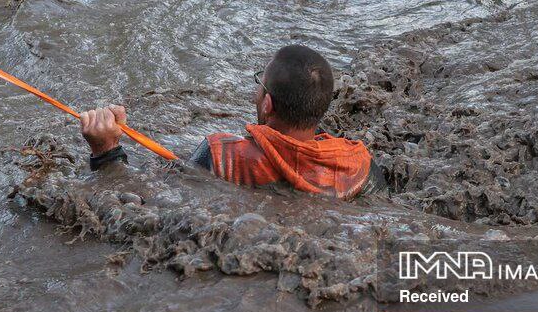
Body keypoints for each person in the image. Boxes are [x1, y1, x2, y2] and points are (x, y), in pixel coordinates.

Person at [78, 44, 385, 200]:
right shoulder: (360, 165)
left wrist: (106, 153)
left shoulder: (219, 155)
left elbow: (143, 200)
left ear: (267, 104)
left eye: (259, 84)